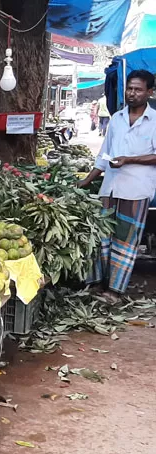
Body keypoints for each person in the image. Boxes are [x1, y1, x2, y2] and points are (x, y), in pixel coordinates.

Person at [77, 70, 156, 302]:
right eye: (130, 88)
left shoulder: (154, 122)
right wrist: (87, 180)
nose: (132, 93)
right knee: (103, 238)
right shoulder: (117, 119)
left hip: (136, 190)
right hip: (110, 188)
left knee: (126, 242)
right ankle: (99, 285)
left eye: (138, 89)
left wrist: (130, 159)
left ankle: (115, 291)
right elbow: (104, 155)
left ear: (149, 92)